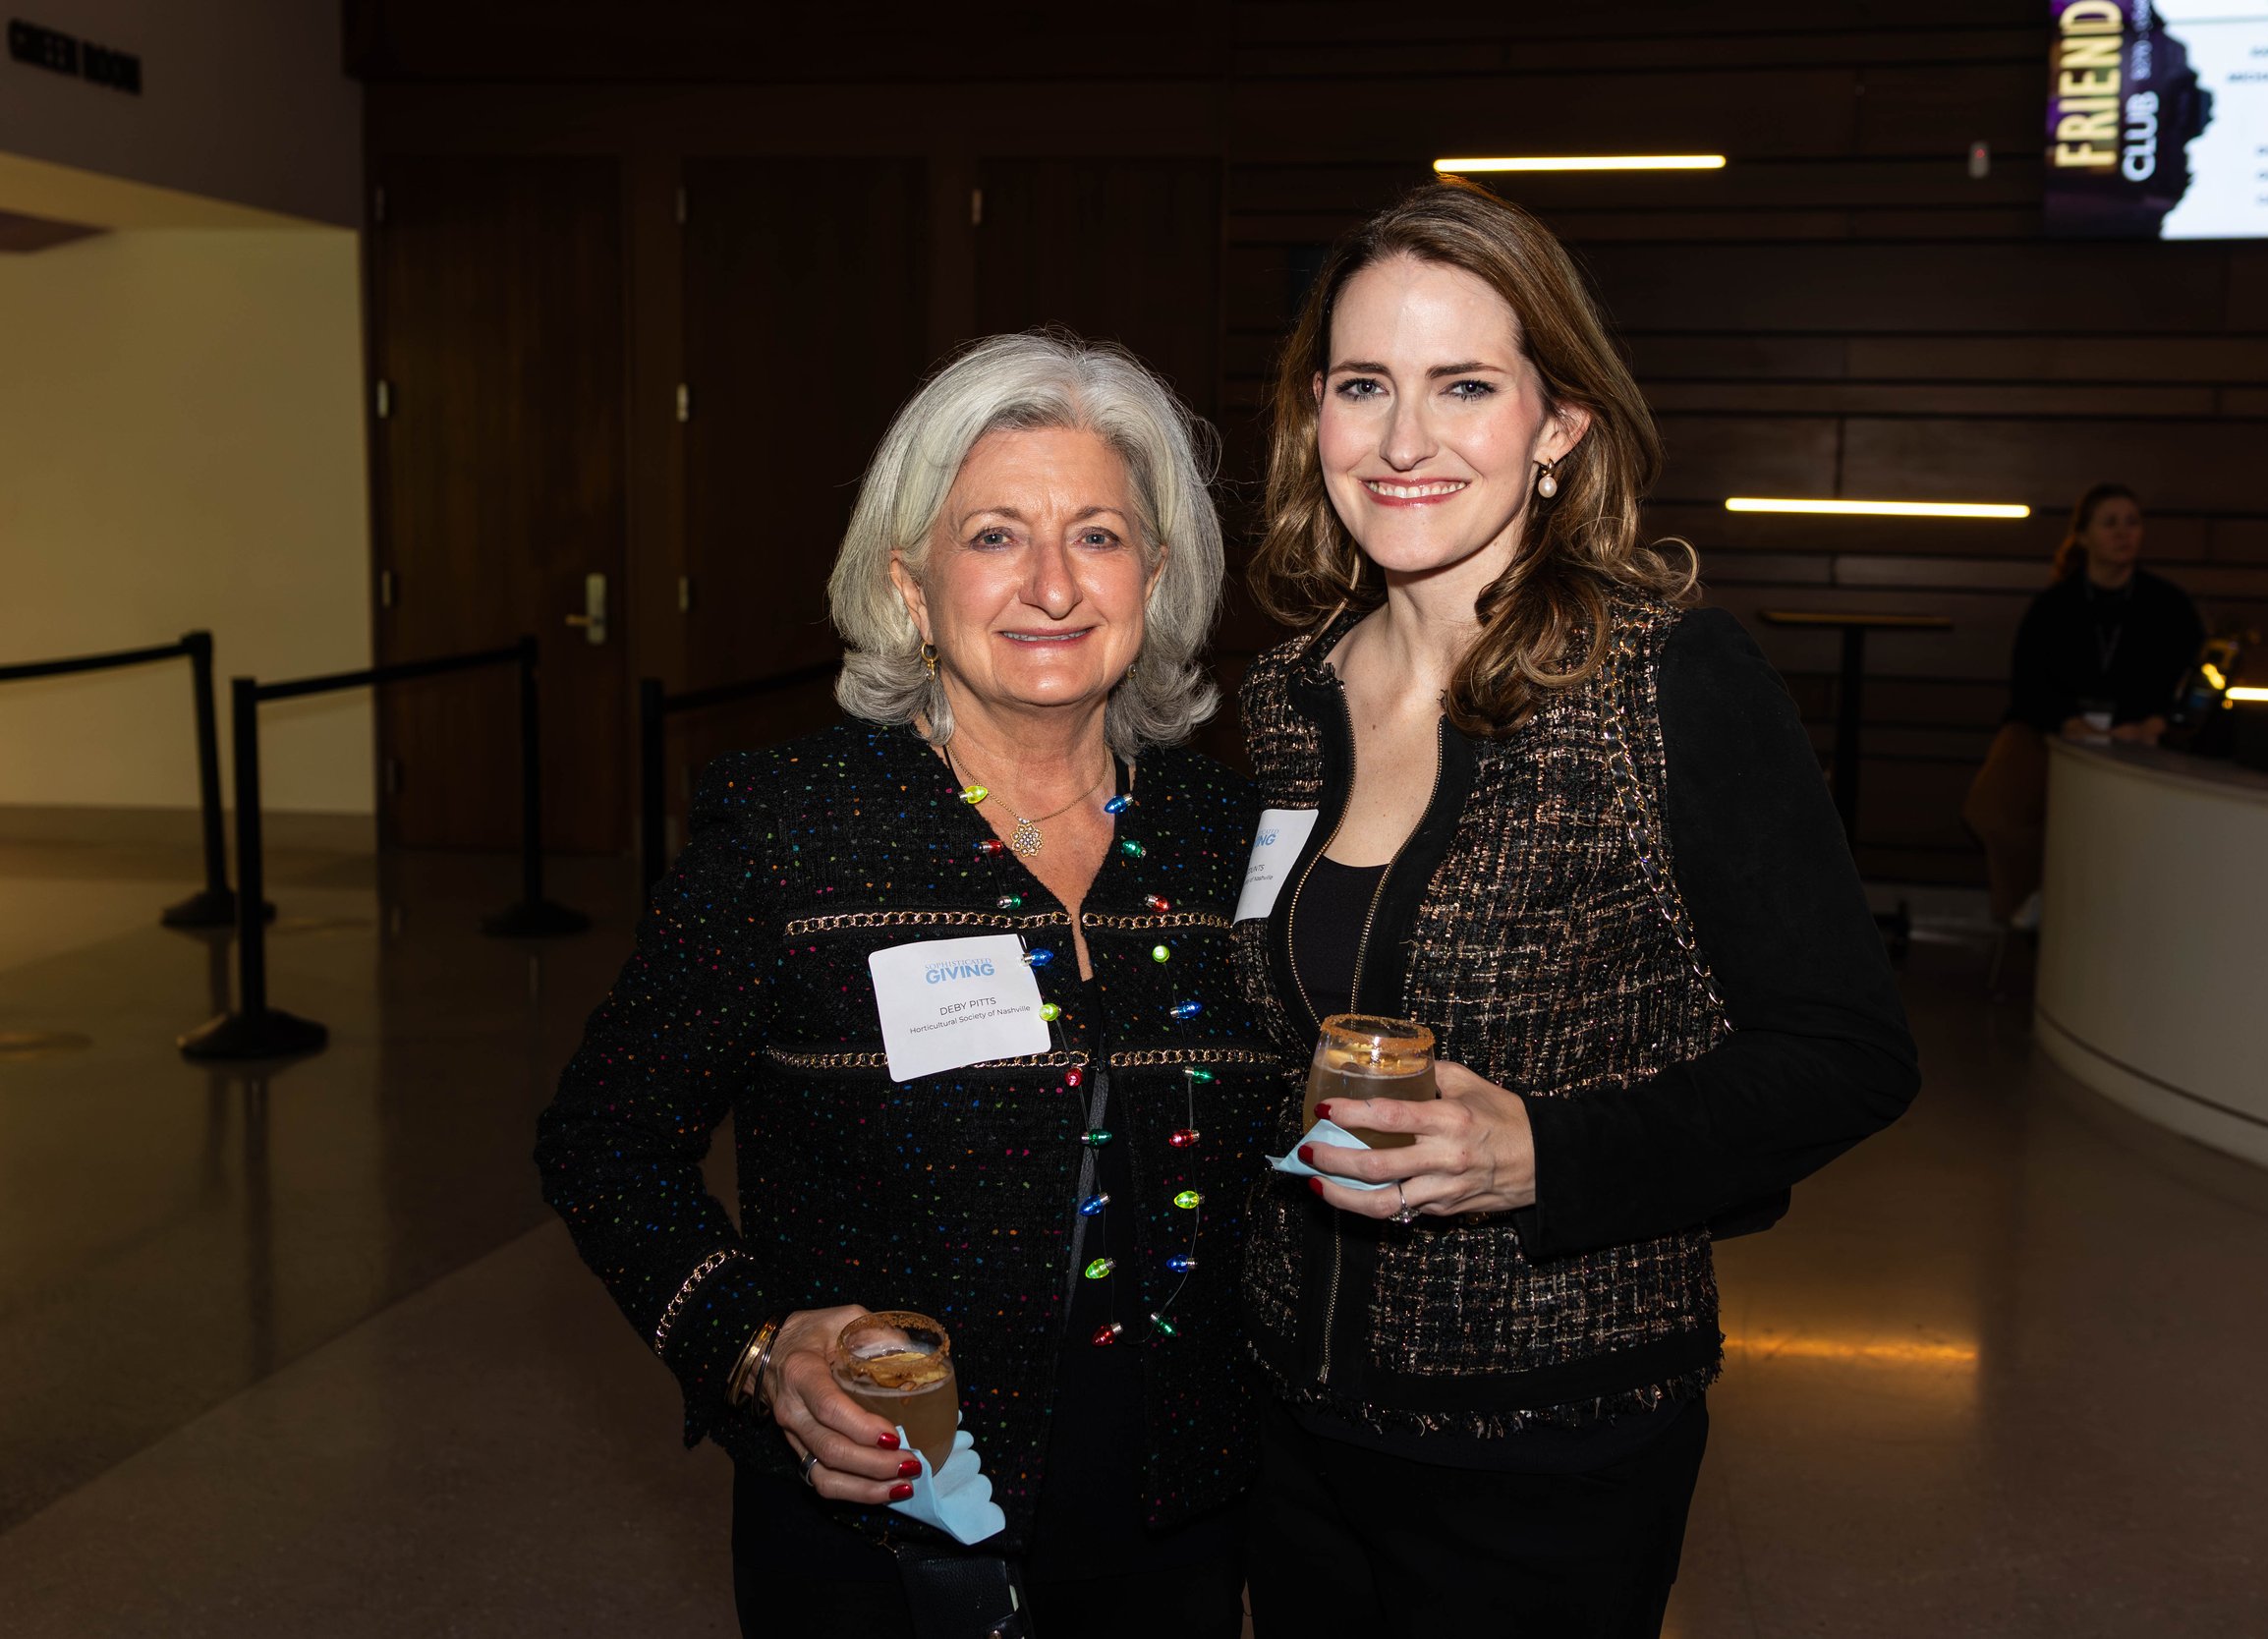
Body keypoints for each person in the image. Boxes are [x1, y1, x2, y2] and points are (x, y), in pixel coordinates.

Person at [1230, 180, 1921, 1635]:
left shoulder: (1667, 684)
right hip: (1292, 1420)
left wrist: (1546, 1150)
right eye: (1366, 386)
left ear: (1559, 428)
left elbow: (1849, 1051)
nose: (1404, 442)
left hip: (1548, 1441)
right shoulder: (1286, 701)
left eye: (1464, 386)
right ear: (1317, 419)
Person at [537, 332, 1279, 1638]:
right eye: (995, 534)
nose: (1051, 583)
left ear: (1155, 580)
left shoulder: (1238, 836)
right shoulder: (791, 826)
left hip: (1181, 1520)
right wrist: (756, 1349)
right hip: (879, 1529)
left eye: (1098, 536)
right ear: (912, 582)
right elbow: (605, 1143)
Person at [1961, 482, 2204, 927]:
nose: (2123, 533)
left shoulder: (2169, 605)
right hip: (2051, 731)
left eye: (2132, 522)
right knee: (1993, 811)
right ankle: (2036, 901)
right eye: (2109, 523)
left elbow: (2191, 681)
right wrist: (2066, 722)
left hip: (2140, 738)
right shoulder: (2053, 606)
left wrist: (2155, 722)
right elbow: (2028, 686)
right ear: (2084, 536)